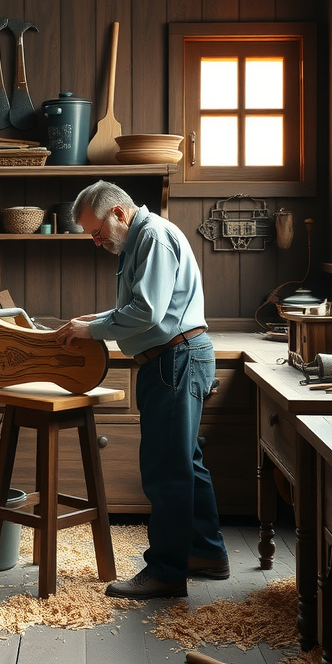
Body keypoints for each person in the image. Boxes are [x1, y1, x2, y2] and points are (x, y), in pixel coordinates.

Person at [56, 180, 228, 599]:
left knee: (165, 468)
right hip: (176, 357)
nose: (96, 241)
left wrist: (94, 329)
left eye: (97, 231)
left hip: (175, 358)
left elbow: (148, 312)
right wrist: (95, 320)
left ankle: (166, 572)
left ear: (119, 212)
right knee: (186, 462)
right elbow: (140, 306)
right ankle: (206, 553)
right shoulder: (140, 240)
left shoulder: (152, 237)